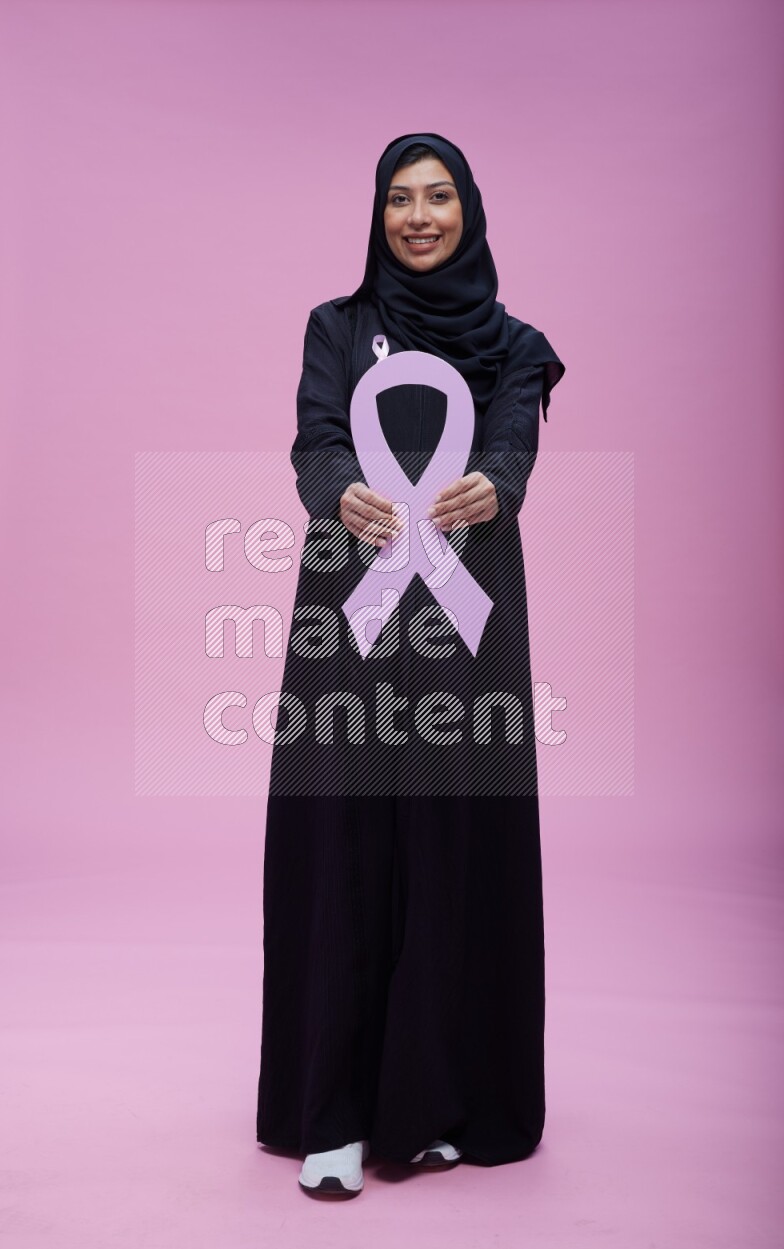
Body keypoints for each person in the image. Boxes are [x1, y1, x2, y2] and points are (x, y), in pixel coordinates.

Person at [255, 132, 566, 1197]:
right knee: (346, 839)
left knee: (450, 843)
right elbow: (314, 440)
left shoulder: (516, 344)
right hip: (352, 610)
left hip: (464, 626)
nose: (419, 217)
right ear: (377, 213)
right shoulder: (336, 327)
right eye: (399, 198)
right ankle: (334, 1112)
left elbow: (513, 441)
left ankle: (432, 1102)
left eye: (438, 197)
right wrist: (337, 487)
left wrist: (496, 483)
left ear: (468, 212)